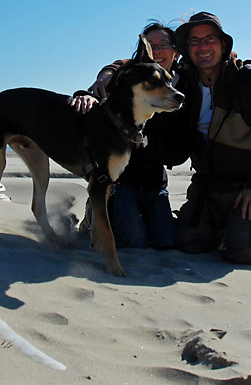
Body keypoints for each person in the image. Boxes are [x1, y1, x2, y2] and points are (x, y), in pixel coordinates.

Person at [173, 11, 251, 265]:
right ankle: (223, 227)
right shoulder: (183, 83)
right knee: (187, 245)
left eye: (210, 39)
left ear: (223, 44)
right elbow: (143, 64)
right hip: (207, 189)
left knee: (244, 253)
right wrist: (106, 74)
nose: (203, 47)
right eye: (195, 41)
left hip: (248, 189)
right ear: (187, 48)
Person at [71, 21, 190, 250]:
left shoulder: (182, 85)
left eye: (163, 44)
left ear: (175, 51)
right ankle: (95, 210)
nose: (156, 50)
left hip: (155, 183)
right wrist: (89, 91)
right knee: (135, 243)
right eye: (150, 44)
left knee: (165, 242)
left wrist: (150, 146)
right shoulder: (132, 74)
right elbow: (111, 74)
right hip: (123, 182)